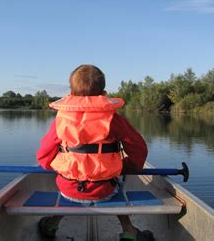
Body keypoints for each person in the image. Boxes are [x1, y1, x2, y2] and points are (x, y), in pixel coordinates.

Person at [36, 64, 154, 241]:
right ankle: (129, 231)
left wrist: (60, 166)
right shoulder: (113, 120)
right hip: (106, 190)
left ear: (71, 93)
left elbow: (43, 158)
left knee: (68, 181)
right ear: (103, 93)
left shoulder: (61, 120)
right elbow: (139, 149)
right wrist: (125, 166)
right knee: (121, 176)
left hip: (68, 190)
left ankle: (52, 224)